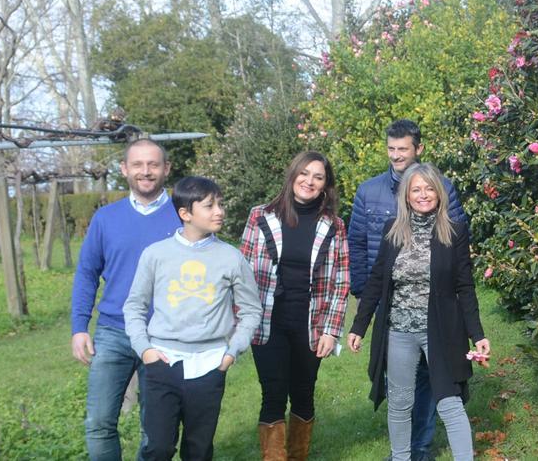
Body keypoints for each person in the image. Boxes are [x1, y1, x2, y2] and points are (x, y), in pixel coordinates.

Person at [346, 163, 490, 461]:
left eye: (428, 188)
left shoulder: (455, 232)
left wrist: (477, 335)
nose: (423, 195)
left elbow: (465, 287)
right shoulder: (393, 231)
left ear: (438, 192)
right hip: (398, 331)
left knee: (450, 402)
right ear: (406, 196)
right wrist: (358, 326)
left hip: (441, 331)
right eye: (416, 189)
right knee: (400, 403)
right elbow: (376, 282)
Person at [123, 176, 262, 461]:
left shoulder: (231, 257)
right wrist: (145, 350)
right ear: (185, 213)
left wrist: (231, 353)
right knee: (157, 448)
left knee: (198, 450)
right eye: (210, 206)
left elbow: (251, 310)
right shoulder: (156, 255)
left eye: (220, 204)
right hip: (162, 363)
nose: (219, 211)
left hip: (210, 365)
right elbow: (134, 306)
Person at [70, 139, 180, 460]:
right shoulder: (106, 219)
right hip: (113, 333)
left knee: (157, 429)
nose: (145, 172)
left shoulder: (184, 216)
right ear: (124, 170)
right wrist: (79, 327)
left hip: (163, 336)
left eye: (153, 165)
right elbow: (87, 273)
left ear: (166, 169)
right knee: (99, 422)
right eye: (137, 165)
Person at [240, 151, 351, 460]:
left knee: (303, 394)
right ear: (292, 176)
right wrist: (240, 322)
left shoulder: (334, 225)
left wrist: (331, 330)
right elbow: (243, 272)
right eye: (304, 173)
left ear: (326, 185)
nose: (309, 181)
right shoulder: (260, 216)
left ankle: (298, 455)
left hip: (311, 324)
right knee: (273, 394)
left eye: (318, 176)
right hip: (268, 323)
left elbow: (341, 281)